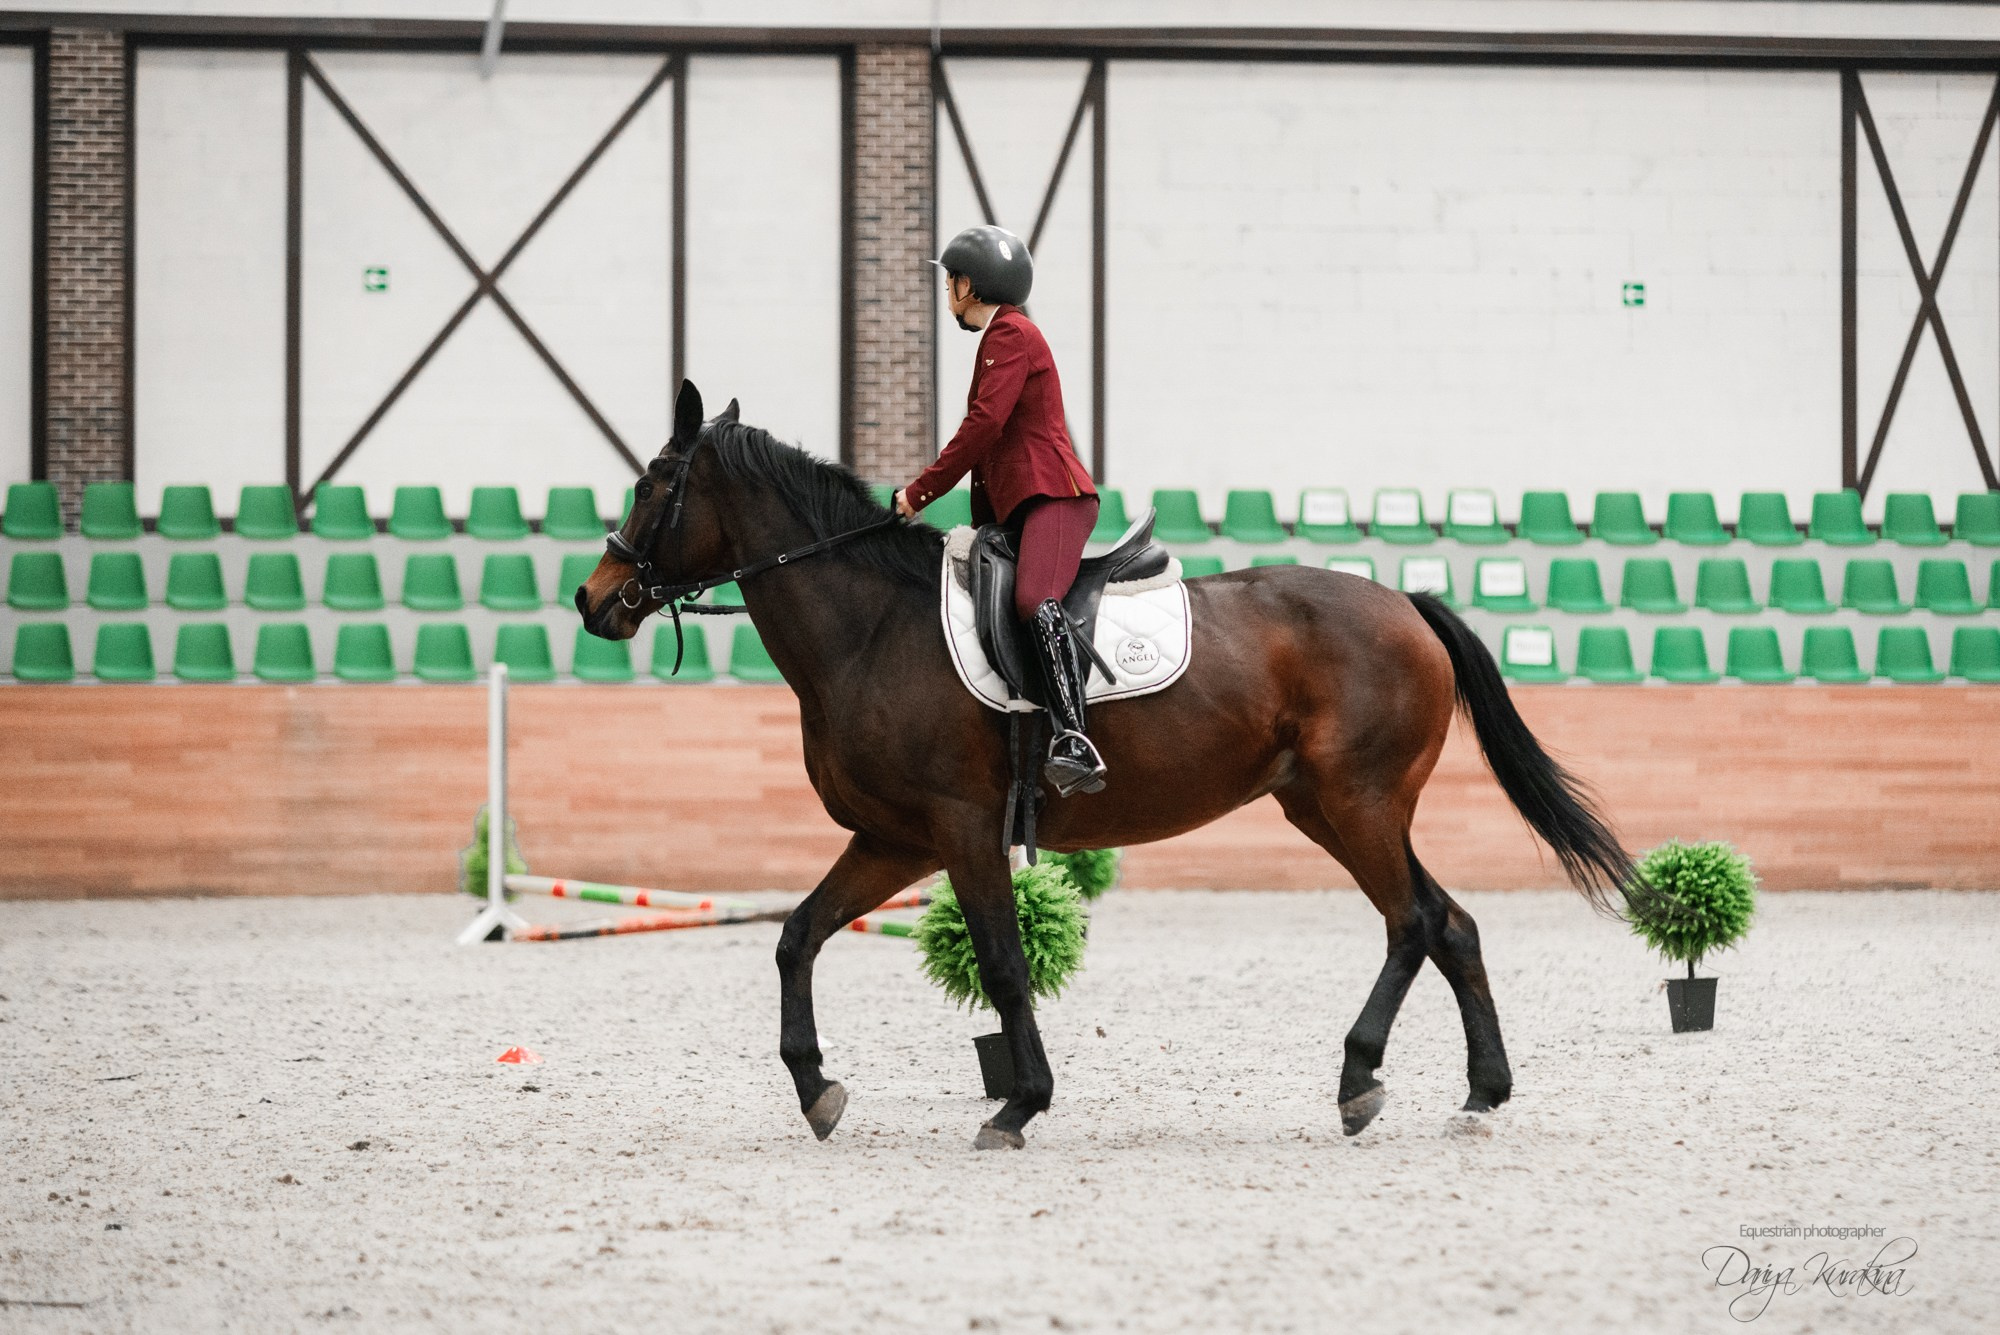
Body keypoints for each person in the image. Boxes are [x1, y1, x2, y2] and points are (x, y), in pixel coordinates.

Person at [894, 224, 1106, 797]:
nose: (946, 293)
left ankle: (1074, 737)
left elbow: (983, 429)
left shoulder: (1011, 335)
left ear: (969, 284)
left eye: (949, 281)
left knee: (1035, 599)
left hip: (1054, 498)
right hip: (1019, 506)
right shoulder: (1000, 338)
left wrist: (918, 494)